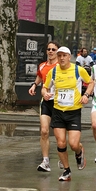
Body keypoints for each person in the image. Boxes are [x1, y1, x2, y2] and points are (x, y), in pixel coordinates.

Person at [42, 46, 94, 181]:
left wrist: (86, 95)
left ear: (69, 57)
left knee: (73, 144)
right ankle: (67, 170)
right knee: (61, 143)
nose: (61, 58)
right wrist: (45, 94)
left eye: (64, 55)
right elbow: (44, 87)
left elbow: (91, 82)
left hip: (74, 112)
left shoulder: (78, 70)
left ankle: (79, 151)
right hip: (58, 111)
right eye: (59, 56)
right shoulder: (53, 72)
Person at [29, 41, 60, 172]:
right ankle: (45, 161)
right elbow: (39, 77)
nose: (51, 51)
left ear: (58, 51)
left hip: (60, 103)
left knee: (60, 135)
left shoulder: (62, 66)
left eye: (53, 49)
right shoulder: (42, 66)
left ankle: (62, 158)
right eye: (49, 49)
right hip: (46, 101)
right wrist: (34, 85)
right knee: (44, 131)